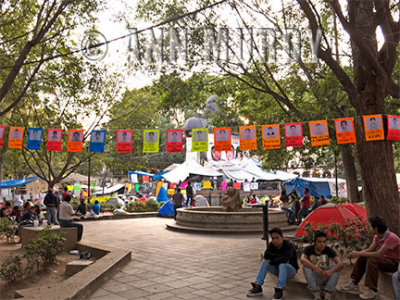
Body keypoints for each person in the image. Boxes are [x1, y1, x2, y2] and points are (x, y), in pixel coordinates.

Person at [341, 216, 400, 299]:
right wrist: (356, 253)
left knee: (372, 259)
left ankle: (372, 290)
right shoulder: (377, 236)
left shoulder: (391, 238)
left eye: (371, 226)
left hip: (395, 263)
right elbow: (369, 250)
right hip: (385, 260)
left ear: (376, 228)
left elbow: (378, 254)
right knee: (363, 256)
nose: (369, 228)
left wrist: (358, 253)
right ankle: (354, 283)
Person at [247, 227, 299, 299]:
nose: (275, 240)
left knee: (282, 265)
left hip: (290, 270)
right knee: (265, 262)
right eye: (273, 238)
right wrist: (279, 257)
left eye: (277, 238)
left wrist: (273, 259)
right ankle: (258, 286)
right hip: (278, 269)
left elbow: (285, 258)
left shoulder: (288, 246)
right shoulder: (271, 245)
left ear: (282, 237)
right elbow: (266, 255)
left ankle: (279, 289)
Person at [301, 230, 344, 300]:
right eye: (319, 242)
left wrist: (330, 271)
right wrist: (315, 268)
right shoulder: (308, 249)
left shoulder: (328, 249)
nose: (322, 244)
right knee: (306, 267)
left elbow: (341, 264)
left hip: (325, 275)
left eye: (324, 242)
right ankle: (316, 294)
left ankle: (328, 294)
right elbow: (303, 259)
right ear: (315, 242)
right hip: (314, 278)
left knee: (335, 266)